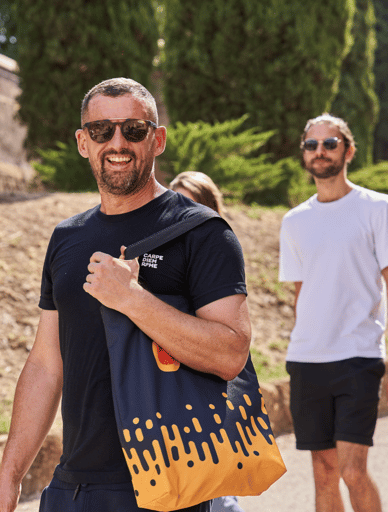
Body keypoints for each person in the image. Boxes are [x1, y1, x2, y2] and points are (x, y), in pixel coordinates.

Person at [0, 77, 251, 512]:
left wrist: (133, 299)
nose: (117, 143)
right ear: (82, 142)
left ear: (157, 139)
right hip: (73, 488)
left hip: (168, 488)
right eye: (100, 131)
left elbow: (230, 354)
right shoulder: (67, 237)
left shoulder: (203, 232)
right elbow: (46, 365)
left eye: (133, 130)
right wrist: (10, 477)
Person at [278, 113, 388, 512]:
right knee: (324, 475)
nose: (320, 152)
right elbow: (301, 295)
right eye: (312, 145)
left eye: (330, 143)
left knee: (352, 472)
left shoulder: (378, 208)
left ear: (348, 150)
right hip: (307, 359)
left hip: (358, 357)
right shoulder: (294, 221)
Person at [169, 171, 246, 512]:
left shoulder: (219, 259)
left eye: (190, 203)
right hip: (162, 391)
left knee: (212, 492)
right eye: (173, 202)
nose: (179, 211)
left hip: (205, 391)